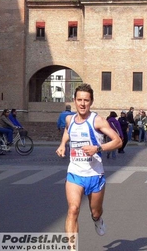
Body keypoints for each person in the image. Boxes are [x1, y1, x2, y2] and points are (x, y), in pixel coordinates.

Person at [55, 83, 122, 237]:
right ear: (74, 100)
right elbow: (67, 130)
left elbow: (117, 141)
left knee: (96, 212)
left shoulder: (97, 121)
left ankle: (97, 220)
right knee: (73, 209)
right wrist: (62, 144)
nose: (82, 104)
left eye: (86, 100)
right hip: (75, 173)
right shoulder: (69, 119)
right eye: (79, 100)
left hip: (95, 174)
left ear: (91, 102)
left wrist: (97, 148)